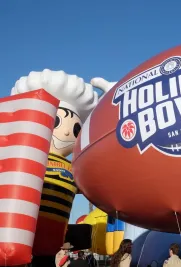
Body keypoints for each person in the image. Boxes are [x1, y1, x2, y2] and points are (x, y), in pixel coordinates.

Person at [11, 70, 113, 256]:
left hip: (56, 232)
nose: (67, 133)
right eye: (57, 121)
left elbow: (98, 185)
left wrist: (115, 106)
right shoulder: (30, 158)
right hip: (24, 229)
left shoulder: (74, 168)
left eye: (75, 128)